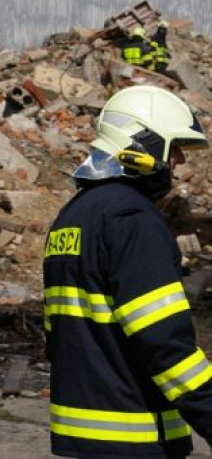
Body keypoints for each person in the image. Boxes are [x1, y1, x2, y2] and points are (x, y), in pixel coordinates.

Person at [44, 84, 212, 458]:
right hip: (135, 436)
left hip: (84, 436)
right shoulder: (133, 220)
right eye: (173, 147)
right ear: (142, 143)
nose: (179, 161)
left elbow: (56, 335)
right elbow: (165, 342)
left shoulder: (72, 216)